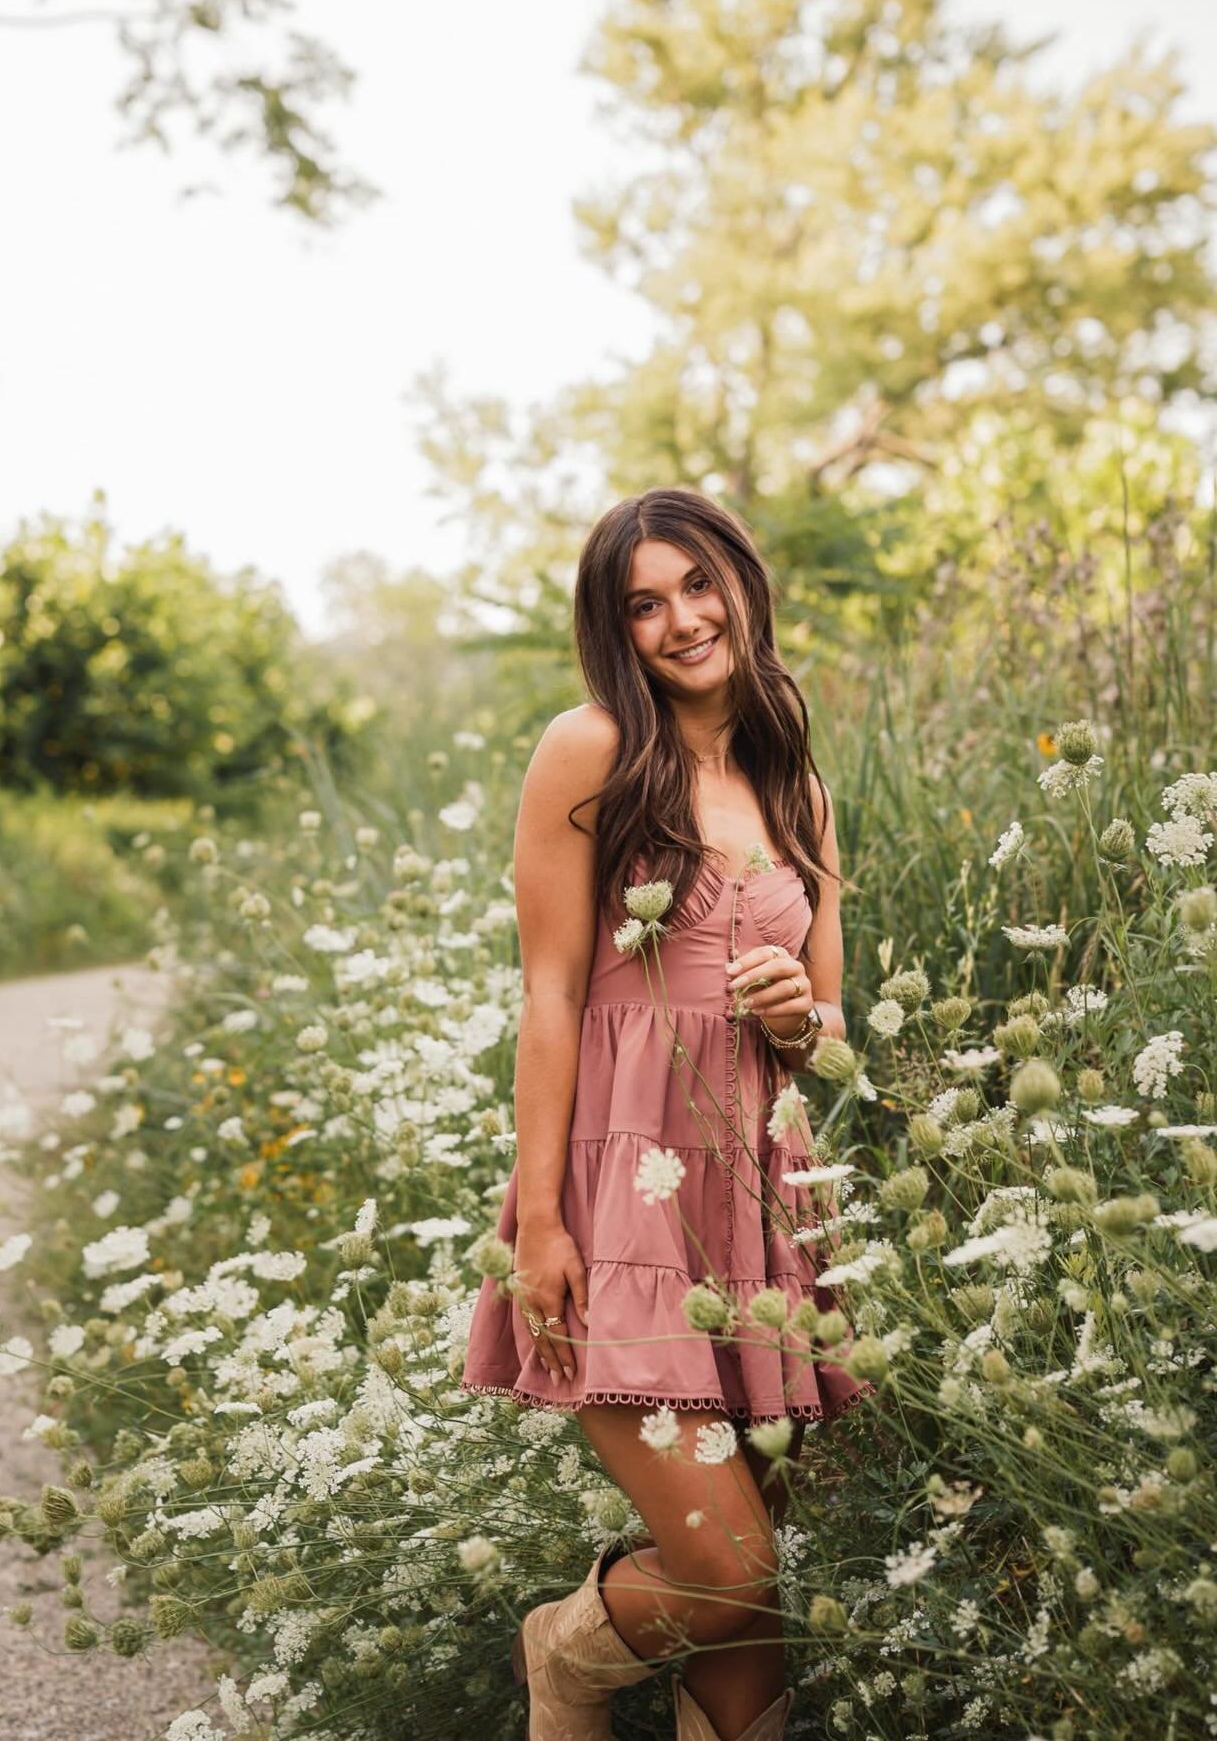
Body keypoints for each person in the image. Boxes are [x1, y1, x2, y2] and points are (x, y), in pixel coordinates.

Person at [459, 488, 875, 1741]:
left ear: (743, 582)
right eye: (643, 603)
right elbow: (550, 989)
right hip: (618, 1203)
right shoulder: (589, 748)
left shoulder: (793, 780)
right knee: (728, 1570)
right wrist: (541, 1220)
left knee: (756, 1626)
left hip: (758, 1209)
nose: (682, 620)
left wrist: (802, 1016)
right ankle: (569, 1657)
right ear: (614, 630)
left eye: (698, 584)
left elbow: (831, 1043)